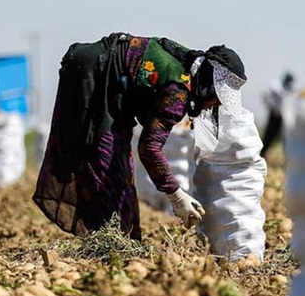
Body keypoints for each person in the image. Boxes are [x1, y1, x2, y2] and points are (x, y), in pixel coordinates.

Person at [33, 32, 247, 240]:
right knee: (104, 163)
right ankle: (106, 240)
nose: (214, 104)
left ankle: (115, 238)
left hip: (106, 79)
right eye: (216, 98)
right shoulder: (177, 92)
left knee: (117, 163)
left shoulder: (188, 64)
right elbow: (148, 148)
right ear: (209, 84)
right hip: (94, 77)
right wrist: (175, 194)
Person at [260, 72, 295, 157]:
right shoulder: (276, 86)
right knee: (269, 137)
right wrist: (271, 107)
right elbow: (265, 96)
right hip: (274, 116)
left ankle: (286, 157)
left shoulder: (289, 90)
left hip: (284, 117)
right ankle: (262, 155)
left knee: (286, 138)